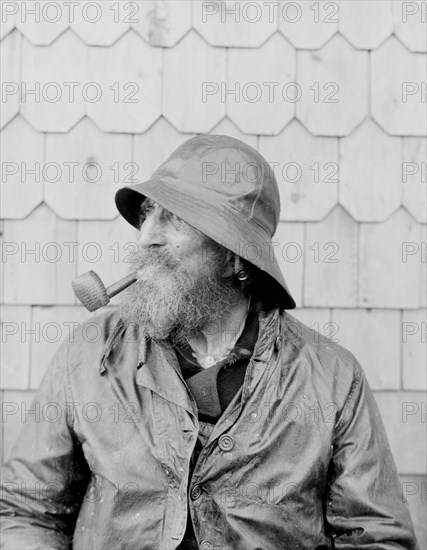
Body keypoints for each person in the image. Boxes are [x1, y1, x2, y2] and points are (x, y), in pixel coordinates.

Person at [0, 135, 419, 549]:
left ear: (237, 258)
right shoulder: (90, 352)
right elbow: (26, 512)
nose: (148, 235)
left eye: (176, 218)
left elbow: (376, 537)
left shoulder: (331, 377)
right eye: (148, 214)